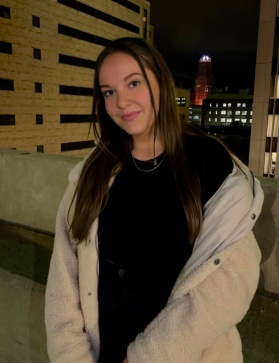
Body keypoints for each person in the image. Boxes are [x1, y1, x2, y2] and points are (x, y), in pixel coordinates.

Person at [45, 37, 264, 363]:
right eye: (109, 91)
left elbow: (230, 285)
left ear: (160, 82)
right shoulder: (93, 172)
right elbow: (64, 283)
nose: (122, 102)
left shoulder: (211, 165)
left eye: (133, 83)